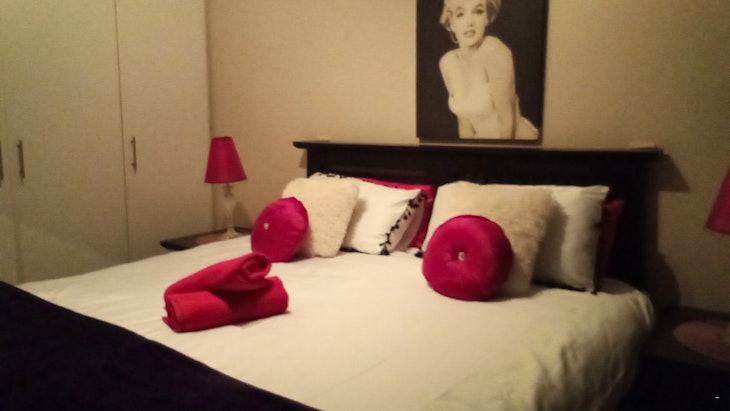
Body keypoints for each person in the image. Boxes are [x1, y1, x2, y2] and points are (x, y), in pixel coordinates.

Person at [438, 0, 537, 139]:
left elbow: (507, 124)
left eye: (478, 12)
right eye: (460, 14)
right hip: (482, 144)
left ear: (487, 18)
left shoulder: (495, 52)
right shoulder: (448, 62)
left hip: (513, 142)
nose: (470, 22)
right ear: (451, 23)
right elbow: (465, 126)